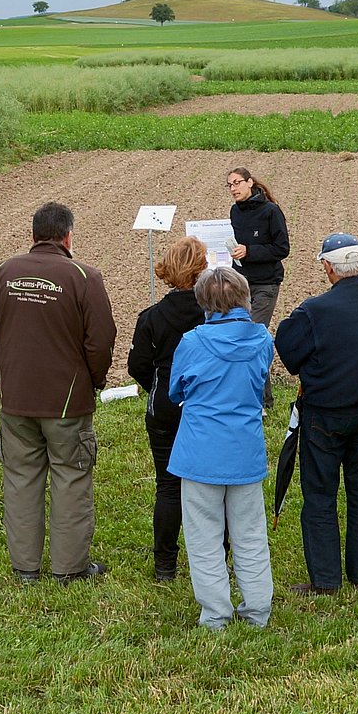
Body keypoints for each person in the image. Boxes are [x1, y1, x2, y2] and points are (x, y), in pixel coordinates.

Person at [0, 202, 117, 584]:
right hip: (68, 401)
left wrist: (5, 371)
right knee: (71, 478)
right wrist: (94, 379)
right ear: (68, 235)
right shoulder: (84, 276)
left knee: (21, 479)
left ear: (33, 235)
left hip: (16, 400)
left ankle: (25, 567)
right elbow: (101, 341)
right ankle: (69, 569)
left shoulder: (3, 272)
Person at [274, 232, 358, 595]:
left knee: (320, 495)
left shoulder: (315, 310)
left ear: (328, 267)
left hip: (326, 416)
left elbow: (289, 348)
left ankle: (326, 580)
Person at [168, 266, 276, 630]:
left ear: (203, 302)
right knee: (250, 534)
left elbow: (176, 390)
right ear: (244, 298)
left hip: (200, 451)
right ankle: (258, 610)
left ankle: (215, 614)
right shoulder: (262, 339)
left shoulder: (192, 342)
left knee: (203, 537)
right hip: (244, 449)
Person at [126, 236, 208, 581]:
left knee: (168, 485)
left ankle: (165, 566)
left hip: (164, 408)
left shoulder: (151, 317)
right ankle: (215, 559)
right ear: (202, 270)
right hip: (207, 408)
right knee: (211, 486)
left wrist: (160, 387)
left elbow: (137, 365)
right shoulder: (212, 316)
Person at [227, 167, 290, 408]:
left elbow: (282, 249)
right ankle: (256, 397)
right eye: (230, 185)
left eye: (237, 183)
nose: (233, 188)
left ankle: (262, 401)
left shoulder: (271, 212)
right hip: (240, 284)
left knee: (252, 337)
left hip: (266, 284)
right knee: (243, 337)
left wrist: (250, 251)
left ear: (250, 182)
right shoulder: (235, 212)